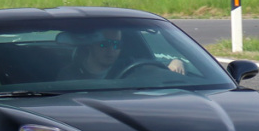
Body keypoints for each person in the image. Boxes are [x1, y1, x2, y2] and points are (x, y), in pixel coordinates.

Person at [58, 29, 186, 81]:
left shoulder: (130, 66)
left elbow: (155, 70)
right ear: (90, 45)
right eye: (104, 44)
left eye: (116, 44)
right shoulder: (70, 75)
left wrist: (176, 62)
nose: (111, 50)